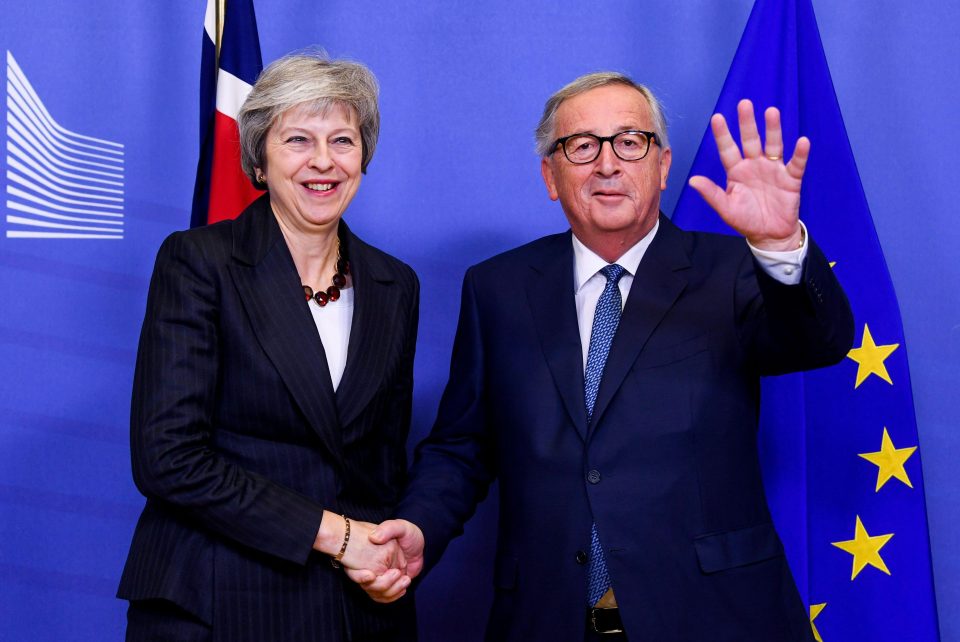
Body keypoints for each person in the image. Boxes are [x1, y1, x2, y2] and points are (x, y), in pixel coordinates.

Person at [361, 72, 853, 640]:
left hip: (715, 616)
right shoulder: (497, 287)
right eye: (582, 146)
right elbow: (462, 445)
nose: (607, 164)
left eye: (629, 141)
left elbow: (820, 340)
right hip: (546, 619)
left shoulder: (736, 270)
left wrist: (778, 247)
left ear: (662, 165)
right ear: (550, 174)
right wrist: (420, 524)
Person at [116, 51, 419, 641]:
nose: (323, 162)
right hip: (216, 599)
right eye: (299, 140)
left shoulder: (394, 284)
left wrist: (384, 553)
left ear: (364, 155)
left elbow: (382, 465)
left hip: (354, 610)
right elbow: (168, 459)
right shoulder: (199, 262)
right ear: (259, 157)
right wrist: (339, 536)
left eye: (343, 141)